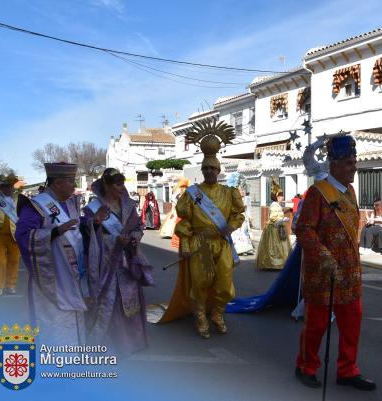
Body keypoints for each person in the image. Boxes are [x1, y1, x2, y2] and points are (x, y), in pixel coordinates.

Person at [295, 134, 376, 392]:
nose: (355, 167)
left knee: (352, 322)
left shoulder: (350, 191)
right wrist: (323, 256)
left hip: (350, 272)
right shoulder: (317, 193)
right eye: (350, 163)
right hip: (323, 272)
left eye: (355, 162)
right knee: (317, 325)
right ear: (335, 164)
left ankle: (347, 370)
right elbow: (304, 229)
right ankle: (306, 366)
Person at [150, 119, 245, 339]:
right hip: (199, 244)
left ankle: (218, 313)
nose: (210, 171)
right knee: (200, 284)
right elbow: (184, 222)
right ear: (202, 170)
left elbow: (238, 214)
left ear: (219, 170)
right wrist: (184, 244)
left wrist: (230, 227)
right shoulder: (192, 194)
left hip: (221, 244)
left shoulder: (230, 192)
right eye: (207, 168)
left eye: (214, 168)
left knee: (225, 287)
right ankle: (201, 315)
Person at [16, 163, 101, 345]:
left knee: (73, 317)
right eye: (70, 181)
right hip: (52, 276)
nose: (73, 185)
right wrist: (53, 233)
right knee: (54, 322)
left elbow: (76, 228)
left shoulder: (69, 203)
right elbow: (23, 236)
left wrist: (94, 222)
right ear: (57, 183)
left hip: (73, 272)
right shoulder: (36, 206)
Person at [83, 168, 153, 355]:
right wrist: (112, 239)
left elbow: (138, 227)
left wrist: (133, 239)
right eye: (118, 184)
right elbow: (89, 237)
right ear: (106, 186)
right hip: (106, 263)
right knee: (109, 302)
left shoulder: (129, 206)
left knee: (130, 301)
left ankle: (132, 341)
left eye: (123, 184)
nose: (122, 188)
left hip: (127, 260)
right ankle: (109, 343)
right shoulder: (93, 209)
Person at [0, 174, 21, 296]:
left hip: (15, 234)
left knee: (15, 261)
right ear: (1, 188)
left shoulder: (17, 199)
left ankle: (11, 285)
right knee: (0, 261)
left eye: (11, 186)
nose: (11, 189)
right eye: (7, 186)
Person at [256, 178, 291, 270]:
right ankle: (275, 263)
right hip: (274, 229)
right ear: (277, 197)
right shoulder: (274, 205)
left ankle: (278, 263)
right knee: (276, 246)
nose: (282, 198)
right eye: (281, 196)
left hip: (278, 227)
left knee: (279, 246)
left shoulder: (276, 205)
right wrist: (283, 219)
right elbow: (273, 217)